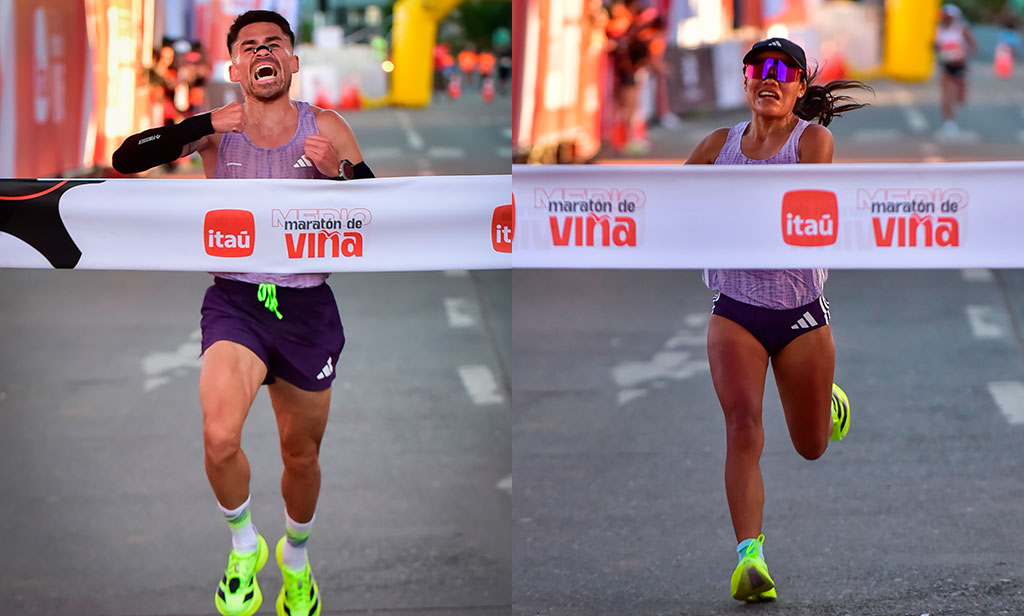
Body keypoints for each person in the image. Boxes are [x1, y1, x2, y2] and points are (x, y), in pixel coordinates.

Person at [112, 9, 374, 616]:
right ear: (234, 65)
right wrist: (203, 121)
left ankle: (297, 559)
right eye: (249, 45)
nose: (262, 52)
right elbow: (126, 159)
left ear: (291, 61)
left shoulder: (327, 126)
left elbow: (376, 216)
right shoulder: (214, 129)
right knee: (219, 435)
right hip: (236, 302)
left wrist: (343, 174)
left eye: (273, 44)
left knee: (300, 455)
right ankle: (243, 546)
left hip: (308, 309)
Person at [685, 37, 869, 602]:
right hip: (734, 309)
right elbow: (666, 200)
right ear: (744, 83)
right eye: (757, 69)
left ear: (798, 87)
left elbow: (804, 199)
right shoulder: (719, 143)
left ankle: (827, 399)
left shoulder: (812, 140)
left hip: (799, 316)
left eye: (783, 71)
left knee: (810, 445)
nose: (769, 78)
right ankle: (749, 558)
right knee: (743, 427)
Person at [934, 4, 977, 137]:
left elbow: (973, 46)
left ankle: (954, 109)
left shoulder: (961, 29)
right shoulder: (939, 30)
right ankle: (949, 122)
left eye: (949, 17)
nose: (946, 19)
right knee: (946, 95)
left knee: (960, 98)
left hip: (960, 66)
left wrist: (963, 55)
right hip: (946, 66)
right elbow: (937, 47)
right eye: (944, 17)